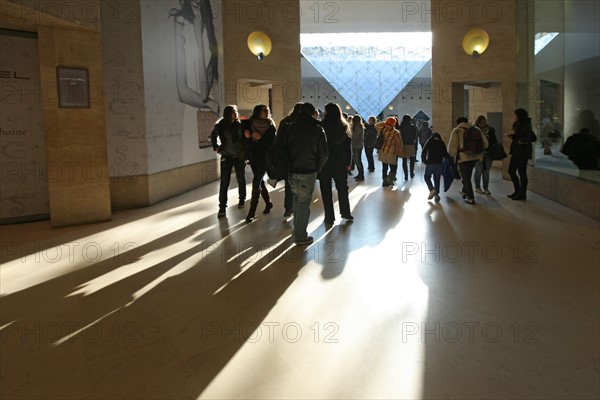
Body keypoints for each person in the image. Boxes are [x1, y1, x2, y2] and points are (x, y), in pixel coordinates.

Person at [280, 103, 328, 245]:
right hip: (308, 170)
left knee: (296, 200)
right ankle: (300, 236)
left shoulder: (289, 127)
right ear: (313, 113)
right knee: (303, 203)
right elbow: (324, 153)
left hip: (292, 170)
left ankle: (297, 230)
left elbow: (282, 149)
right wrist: (317, 168)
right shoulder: (317, 128)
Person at [170, 0, 219, 114]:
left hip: (208, 111)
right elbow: (182, 93)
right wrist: (209, 103)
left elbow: (203, 94)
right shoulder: (181, 20)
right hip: (191, 109)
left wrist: (200, 41)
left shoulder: (208, 28)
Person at [318, 103, 353, 225]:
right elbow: (348, 147)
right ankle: (346, 212)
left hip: (324, 162)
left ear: (327, 112)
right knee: (342, 187)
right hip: (340, 161)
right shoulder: (343, 126)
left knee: (325, 189)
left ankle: (329, 216)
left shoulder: (321, 126)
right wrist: (349, 162)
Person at [211, 105, 247, 218]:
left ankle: (242, 199)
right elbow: (213, 135)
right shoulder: (221, 125)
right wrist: (215, 146)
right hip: (226, 155)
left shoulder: (241, 125)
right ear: (227, 113)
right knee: (224, 182)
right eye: (233, 112)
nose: (235, 114)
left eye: (236, 111)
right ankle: (222, 207)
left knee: (240, 179)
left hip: (239, 156)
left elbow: (246, 139)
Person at [243, 104, 276, 222]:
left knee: (256, 181)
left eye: (268, 110)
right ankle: (268, 203)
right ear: (258, 112)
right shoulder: (249, 123)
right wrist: (250, 135)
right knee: (260, 181)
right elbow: (242, 137)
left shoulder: (271, 125)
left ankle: (252, 212)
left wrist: (260, 138)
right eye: (264, 110)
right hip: (253, 157)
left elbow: (271, 142)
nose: (267, 112)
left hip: (265, 157)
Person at [448, 116, 489, 204]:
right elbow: (486, 144)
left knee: (466, 178)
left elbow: (452, 148)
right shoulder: (476, 129)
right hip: (475, 157)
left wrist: (451, 156)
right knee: (467, 175)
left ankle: (470, 198)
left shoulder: (457, 130)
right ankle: (464, 191)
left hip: (463, 157)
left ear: (458, 122)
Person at [277, 103, 304, 217]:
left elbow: (279, 139)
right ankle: (300, 209)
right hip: (302, 157)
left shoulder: (285, 122)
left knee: (289, 185)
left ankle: (289, 208)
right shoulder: (303, 123)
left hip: (287, 157)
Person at [507, 108, 536, 201]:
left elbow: (533, 138)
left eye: (515, 115)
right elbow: (520, 136)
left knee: (522, 173)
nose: (514, 117)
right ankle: (518, 191)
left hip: (523, 152)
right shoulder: (518, 125)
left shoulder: (526, 125)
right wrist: (513, 136)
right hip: (516, 151)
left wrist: (522, 140)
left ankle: (522, 194)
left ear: (519, 116)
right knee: (511, 170)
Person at [375, 117, 404, 187]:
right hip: (392, 152)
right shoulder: (396, 132)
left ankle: (384, 181)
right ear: (394, 124)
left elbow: (376, 125)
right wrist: (401, 153)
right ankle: (390, 178)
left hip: (383, 151)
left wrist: (386, 123)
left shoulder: (382, 130)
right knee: (393, 167)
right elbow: (399, 144)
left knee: (384, 167)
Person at [473, 115, 498, 195]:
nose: (483, 124)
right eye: (481, 123)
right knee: (478, 170)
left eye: (484, 122)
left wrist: (489, 138)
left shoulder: (490, 130)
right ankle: (477, 187)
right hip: (478, 153)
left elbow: (495, 142)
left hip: (488, 153)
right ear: (478, 123)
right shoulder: (474, 130)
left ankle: (486, 188)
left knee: (486, 171)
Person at [421, 132, 449, 202]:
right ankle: (436, 195)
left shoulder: (430, 141)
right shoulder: (441, 142)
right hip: (439, 163)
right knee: (437, 179)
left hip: (430, 163)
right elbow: (445, 154)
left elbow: (424, 151)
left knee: (427, 177)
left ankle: (432, 189)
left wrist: (424, 160)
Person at [399, 115, 418, 180]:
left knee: (404, 161)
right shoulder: (413, 127)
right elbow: (415, 136)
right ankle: (412, 173)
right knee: (412, 160)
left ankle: (406, 175)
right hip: (411, 144)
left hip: (403, 145)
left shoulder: (401, 127)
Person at [350, 115, 365, 181]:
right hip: (355, 145)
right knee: (356, 160)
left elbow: (354, 136)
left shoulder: (359, 127)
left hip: (358, 146)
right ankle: (359, 174)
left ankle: (361, 175)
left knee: (358, 160)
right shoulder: (355, 126)